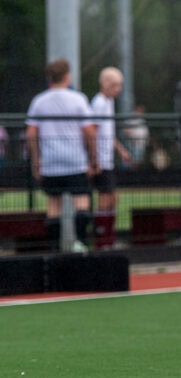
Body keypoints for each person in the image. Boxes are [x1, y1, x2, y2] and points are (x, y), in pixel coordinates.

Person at [25, 58, 98, 252]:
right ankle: (80, 244)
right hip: (75, 162)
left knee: (53, 206)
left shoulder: (39, 101)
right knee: (81, 203)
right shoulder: (78, 99)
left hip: (51, 163)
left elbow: (31, 133)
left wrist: (36, 161)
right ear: (67, 76)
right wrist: (93, 158)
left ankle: (54, 249)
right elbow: (90, 131)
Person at [91, 66, 131, 249]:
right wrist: (94, 159)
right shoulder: (98, 103)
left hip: (107, 158)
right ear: (106, 84)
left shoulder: (109, 103)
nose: (119, 89)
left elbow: (108, 132)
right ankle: (103, 241)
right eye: (116, 85)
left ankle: (108, 238)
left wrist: (120, 149)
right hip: (101, 159)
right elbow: (94, 131)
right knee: (105, 198)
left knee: (112, 198)